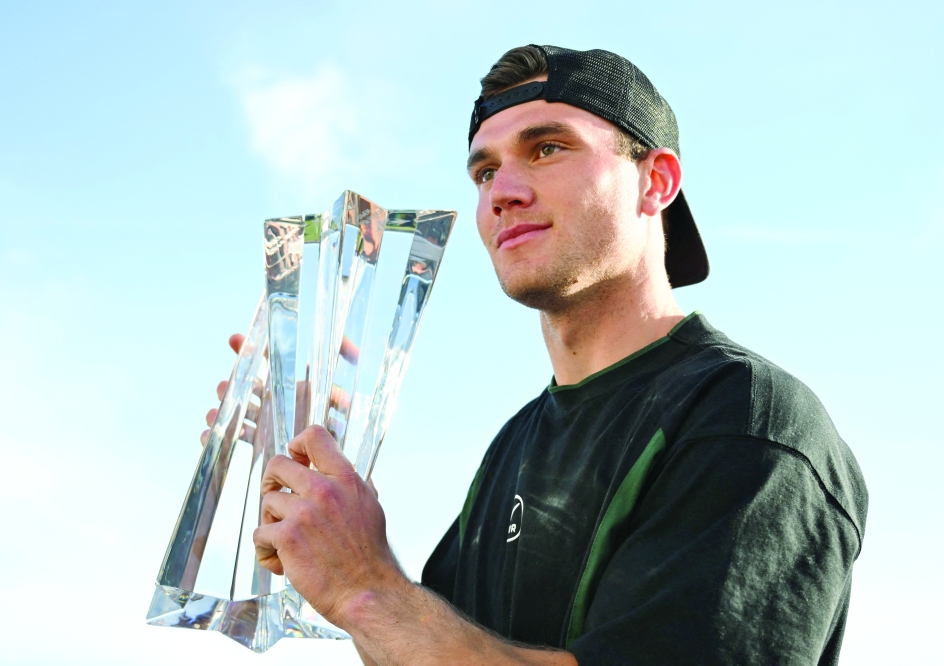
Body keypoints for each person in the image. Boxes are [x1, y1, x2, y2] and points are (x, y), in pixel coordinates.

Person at [212, 45, 868, 665]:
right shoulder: (513, 444)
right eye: (485, 170)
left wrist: (367, 587)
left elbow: (387, 604)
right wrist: (324, 500)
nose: (502, 191)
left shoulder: (747, 418)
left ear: (656, 181)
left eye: (548, 148)